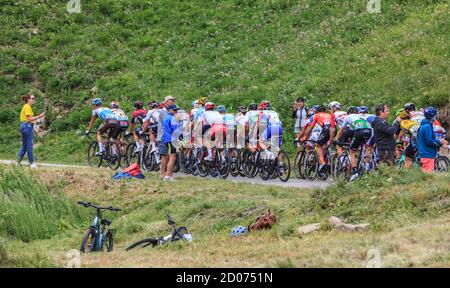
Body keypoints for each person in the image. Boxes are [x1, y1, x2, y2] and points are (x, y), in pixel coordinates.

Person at [301, 104, 336, 174]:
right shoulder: (329, 115)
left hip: (326, 129)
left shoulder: (317, 115)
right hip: (333, 129)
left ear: (317, 111)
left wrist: (305, 137)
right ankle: (328, 161)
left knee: (317, 145)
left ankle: (322, 162)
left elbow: (310, 128)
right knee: (325, 145)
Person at [17, 92, 45, 168]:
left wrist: (37, 121)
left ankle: (18, 161)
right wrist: (40, 116)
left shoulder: (27, 107)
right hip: (27, 126)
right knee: (29, 145)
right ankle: (32, 163)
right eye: (32, 98)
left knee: (25, 146)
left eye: (34, 98)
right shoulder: (27, 107)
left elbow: (30, 120)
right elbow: (29, 119)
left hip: (25, 126)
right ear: (28, 99)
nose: (34, 100)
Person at [417, 107, 448, 172]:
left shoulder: (425, 125)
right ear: (433, 116)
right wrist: (440, 141)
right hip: (427, 153)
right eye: (435, 115)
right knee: (429, 176)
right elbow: (429, 141)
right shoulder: (427, 126)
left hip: (425, 152)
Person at [161, 104, 181, 181]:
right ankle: (168, 176)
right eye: (174, 110)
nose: (176, 111)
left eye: (177, 110)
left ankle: (169, 175)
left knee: (171, 156)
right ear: (169, 110)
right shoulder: (172, 118)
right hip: (171, 139)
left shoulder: (166, 117)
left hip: (167, 138)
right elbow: (176, 130)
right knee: (172, 157)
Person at [157, 96, 176, 179]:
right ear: (166, 101)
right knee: (165, 155)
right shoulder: (165, 111)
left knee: (167, 155)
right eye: (171, 100)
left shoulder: (167, 111)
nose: (173, 101)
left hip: (166, 135)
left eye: (173, 100)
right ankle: (162, 173)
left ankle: (166, 173)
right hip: (164, 136)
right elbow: (168, 124)